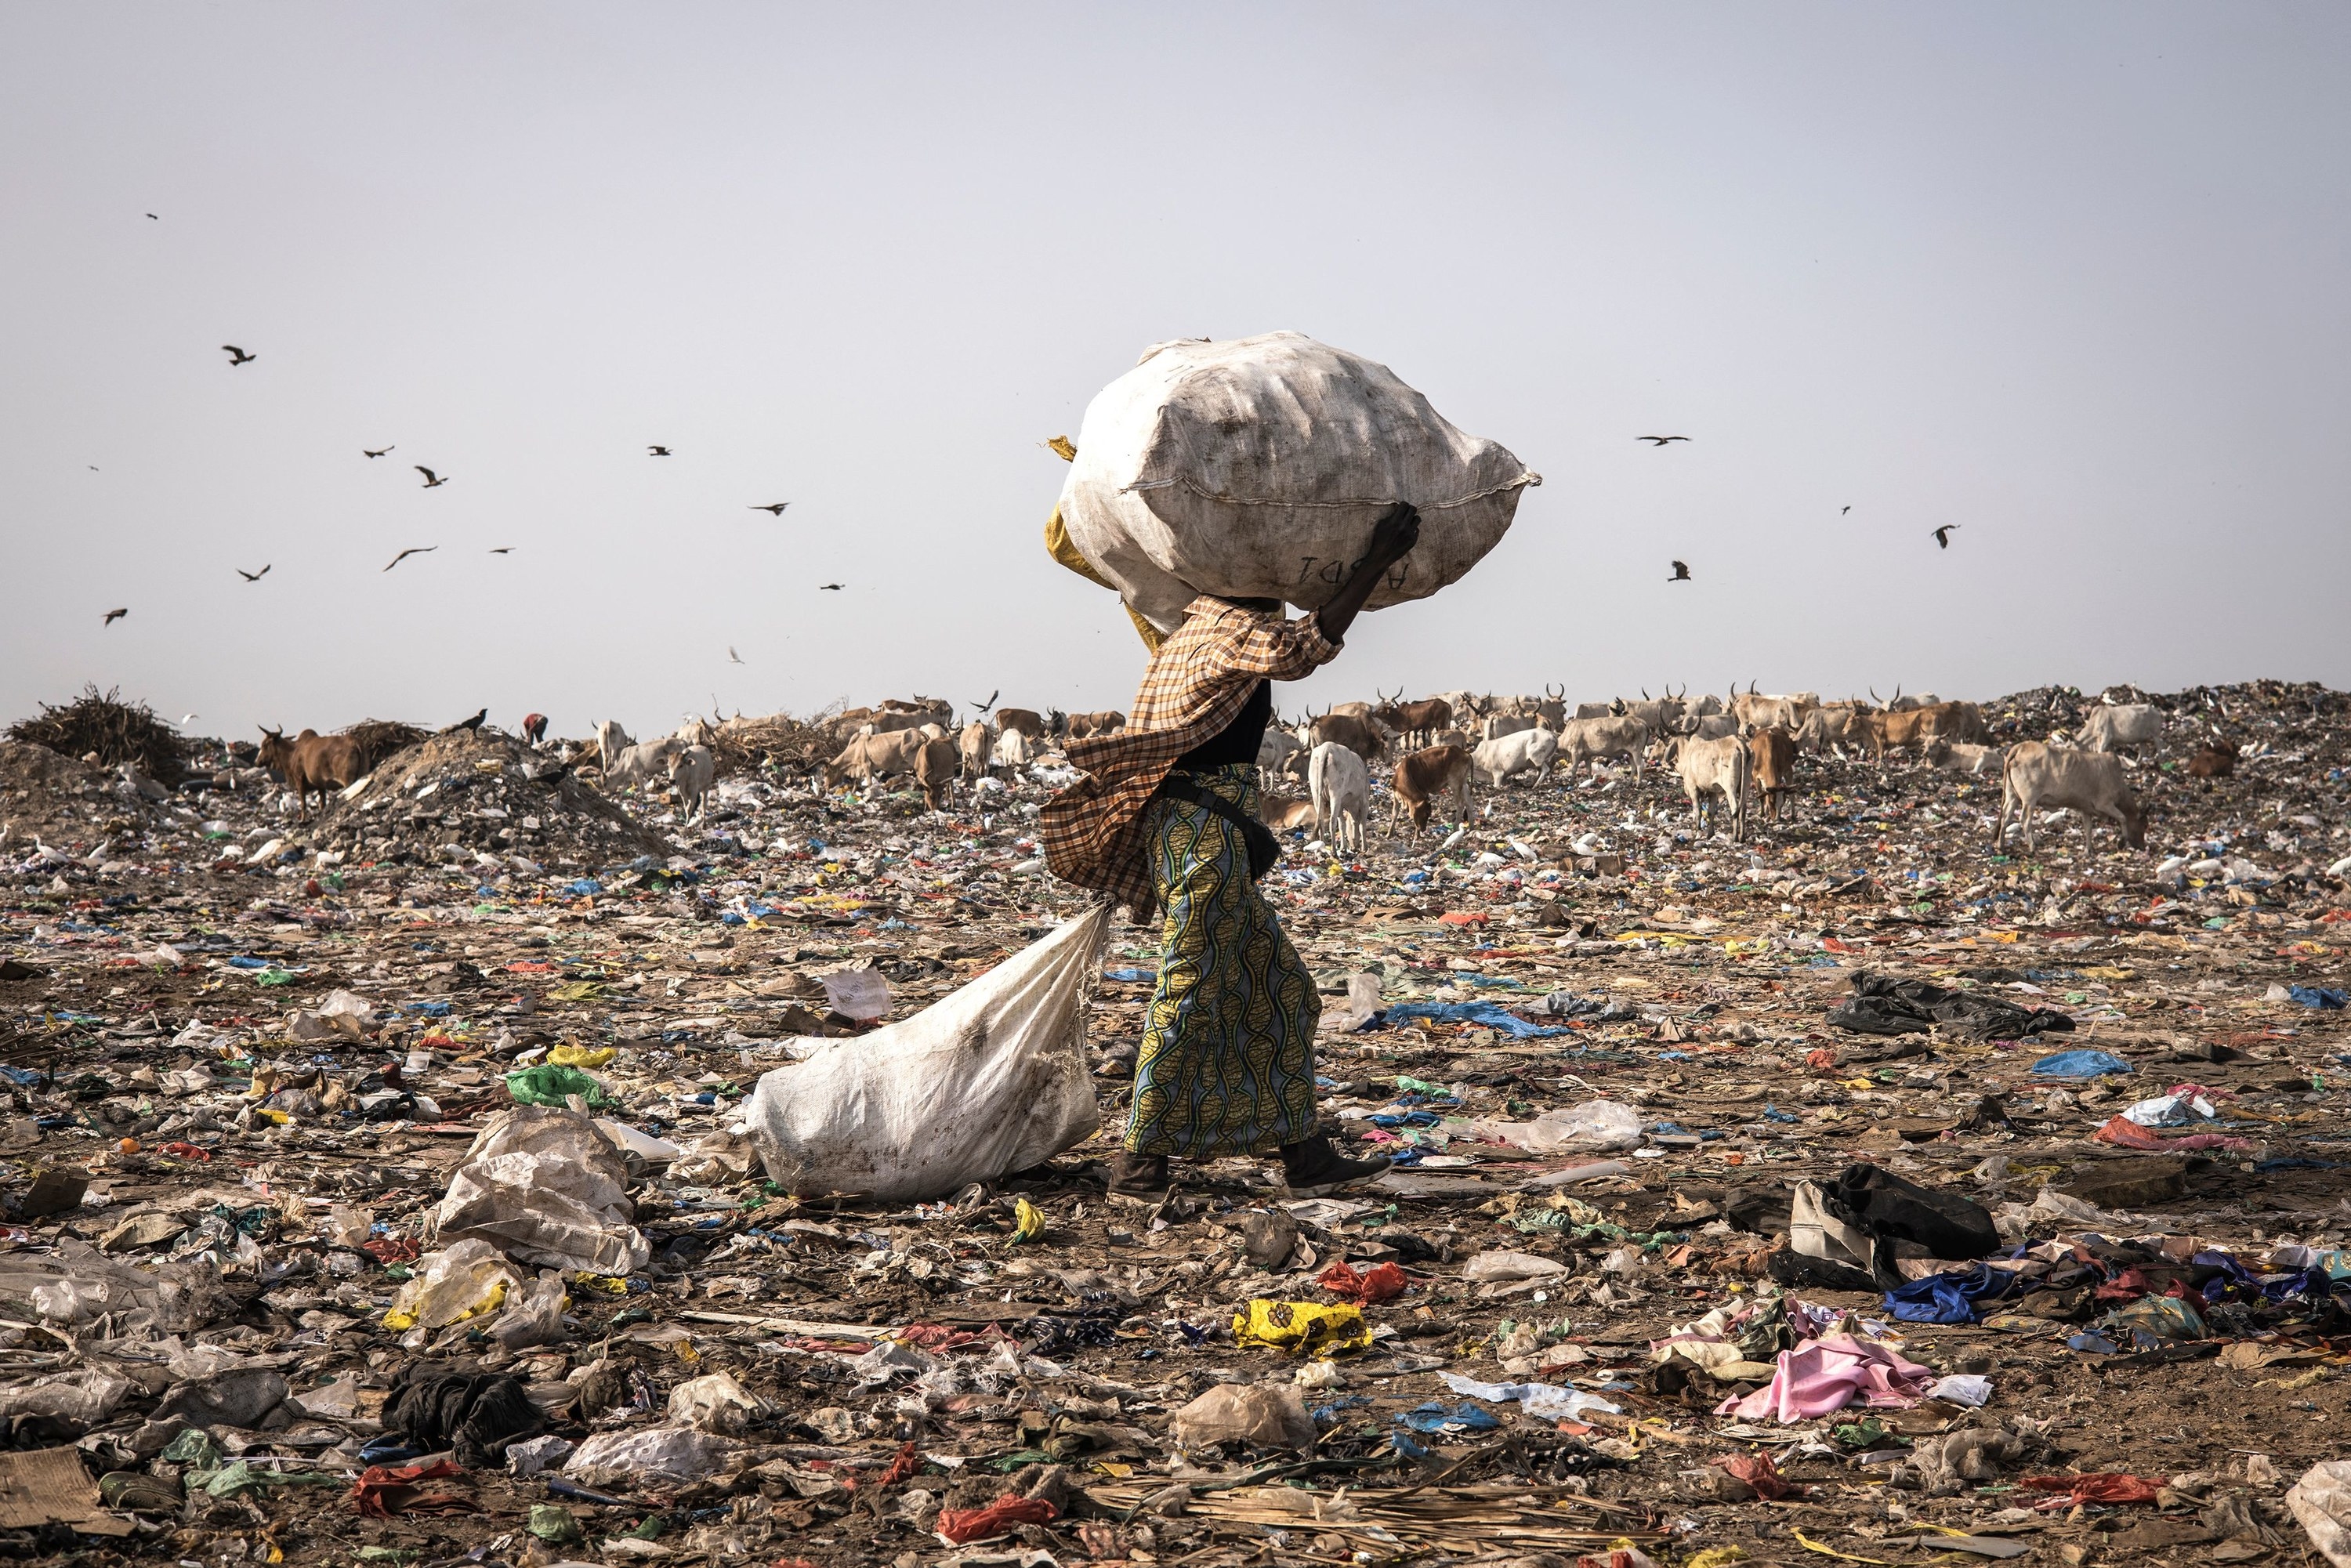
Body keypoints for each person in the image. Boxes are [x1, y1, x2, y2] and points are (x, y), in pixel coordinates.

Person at [1041, 503, 1422, 1196]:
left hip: (1202, 833)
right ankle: (1140, 1156)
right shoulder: (1228, 630)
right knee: (1187, 986)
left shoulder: (1187, 631)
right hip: (1205, 841)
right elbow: (1304, 648)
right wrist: (1375, 559)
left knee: (1280, 988)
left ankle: (1302, 1151)